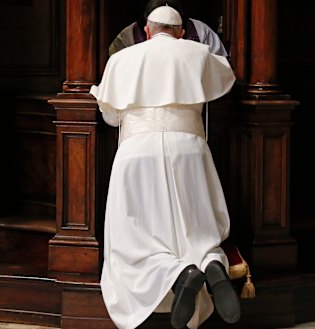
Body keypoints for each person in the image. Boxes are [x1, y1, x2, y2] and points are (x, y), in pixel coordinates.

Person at [90, 5, 240, 329]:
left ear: (146, 31)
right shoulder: (198, 53)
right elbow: (224, 79)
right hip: (189, 148)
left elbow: (111, 116)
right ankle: (212, 262)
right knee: (196, 223)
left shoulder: (122, 59)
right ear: (181, 33)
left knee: (135, 234)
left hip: (137, 151)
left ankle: (179, 274)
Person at [108, 0, 228, 57]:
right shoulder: (130, 34)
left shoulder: (199, 29)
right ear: (146, 29)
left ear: (182, 31)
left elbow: (218, 61)